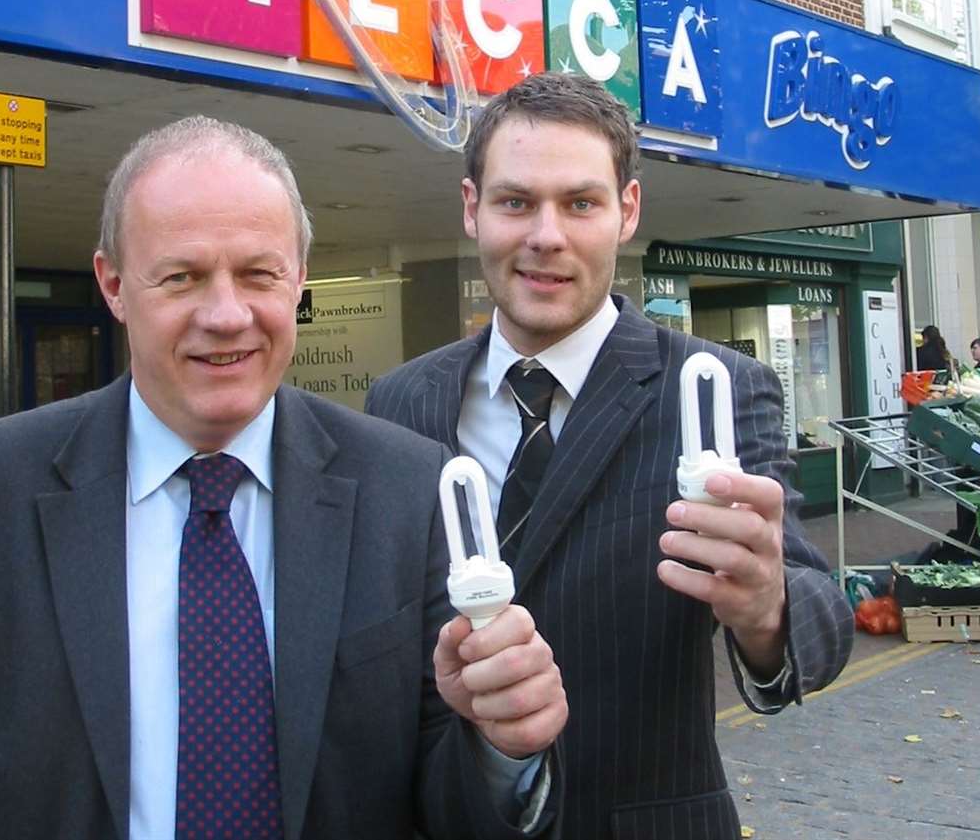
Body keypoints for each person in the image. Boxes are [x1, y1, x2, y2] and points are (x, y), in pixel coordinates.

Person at [0, 117, 567, 840]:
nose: (226, 315)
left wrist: (501, 746)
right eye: (182, 276)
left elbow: (442, 806)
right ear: (113, 283)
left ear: (298, 276)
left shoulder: (407, 489)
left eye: (259, 274)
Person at [366, 73, 854, 840]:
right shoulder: (399, 403)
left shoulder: (714, 389)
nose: (546, 236)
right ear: (472, 208)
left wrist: (765, 606)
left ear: (626, 211)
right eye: (516, 201)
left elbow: (820, 619)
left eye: (580, 203)